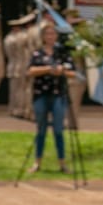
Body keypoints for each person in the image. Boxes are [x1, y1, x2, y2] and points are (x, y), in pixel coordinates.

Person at [26, 20, 75, 173]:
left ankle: (62, 163)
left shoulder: (63, 53)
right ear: (43, 36)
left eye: (53, 33)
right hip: (41, 94)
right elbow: (30, 71)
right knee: (40, 129)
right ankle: (37, 162)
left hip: (58, 94)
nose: (50, 36)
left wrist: (61, 71)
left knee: (59, 130)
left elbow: (72, 72)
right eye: (47, 34)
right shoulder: (37, 53)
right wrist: (48, 69)